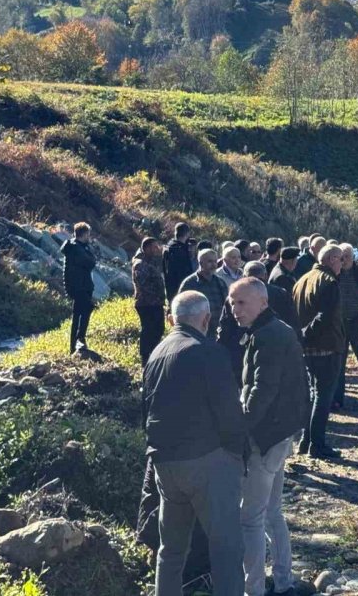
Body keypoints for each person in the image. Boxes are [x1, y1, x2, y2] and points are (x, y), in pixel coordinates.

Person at [144, 291, 246, 596]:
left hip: (165, 463)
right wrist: (236, 455)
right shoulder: (207, 351)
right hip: (208, 460)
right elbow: (229, 411)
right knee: (227, 549)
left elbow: (146, 410)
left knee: (171, 551)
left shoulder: (156, 353)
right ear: (206, 319)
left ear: (173, 318)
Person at [229, 278, 310, 596]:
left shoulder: (268, 335)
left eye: (242, 302)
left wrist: (239, 430)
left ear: (262, 302)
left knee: (250, 518)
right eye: (232, 302)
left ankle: (253, 590)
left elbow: (262, 391)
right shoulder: (267, 330)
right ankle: (284, 581)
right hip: (277, 433)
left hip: (266, 437)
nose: (235, 309)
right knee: (272, 512)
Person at [293, 243, 346, 458]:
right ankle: (317, 444)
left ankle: (306, 441)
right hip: (325, 346)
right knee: (323, 397)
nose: (342, 263)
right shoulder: (329, 282)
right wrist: (307, 334)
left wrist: (303, 337)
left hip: (308, 347)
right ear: (331, 260)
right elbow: (324, 316)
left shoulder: (302, 280)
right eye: (340, 259)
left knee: (314, 395)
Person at [334, 243, 358, 409]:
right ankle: (337, 399)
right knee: (338, 362)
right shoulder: (333, 275)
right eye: (341, 258)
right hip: (340, 323)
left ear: (353, 257)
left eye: (346, 257)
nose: (343, 261)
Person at [61, 222, 97, 354]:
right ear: (84, 234)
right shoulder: (77, 248)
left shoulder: (76, 246)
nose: (89, 236)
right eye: (88, 234)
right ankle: (79, 339)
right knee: (84, 311)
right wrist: (91, 252)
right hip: (79, 286)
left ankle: (75, 344)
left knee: (79, 314)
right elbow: (90, 263)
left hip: (80, 285)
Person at [178, 248, 228, 339]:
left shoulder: (220, 282)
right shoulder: (190, 283)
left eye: (215, 261)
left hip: (218, 331)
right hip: (198, 332)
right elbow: (181, 308)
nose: (213, 265)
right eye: (210, 261)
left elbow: (227, 305)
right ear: (200, 263)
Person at [133, 237, 167, 367]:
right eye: (153, 247)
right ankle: (146, 358)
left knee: (158, 329)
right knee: (148, 330)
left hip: (155, 303)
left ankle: (154, 354)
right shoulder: (140, 264)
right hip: (146, 303)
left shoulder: (151, 262)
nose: (157, 249)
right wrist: (156, 296)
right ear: (146, 248)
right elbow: (143, 285)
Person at [162, 223, 194, 304]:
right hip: (181, 288)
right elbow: (184, 272)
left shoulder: (168, 248)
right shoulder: (180, 250)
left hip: (170, 287)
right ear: (187, 233)